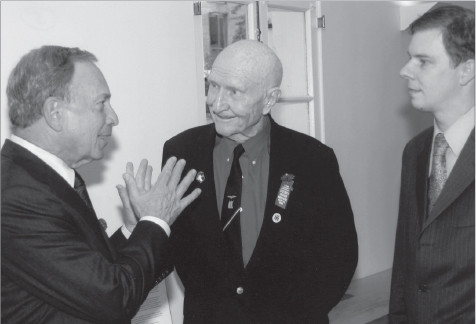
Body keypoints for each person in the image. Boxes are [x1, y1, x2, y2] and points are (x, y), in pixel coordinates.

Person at [156, 40, 357, 323]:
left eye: (234, 92)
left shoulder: (312, 160)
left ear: (269, 100)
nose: (216, 103)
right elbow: (174, 247)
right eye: (213, 86)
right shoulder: (181, 152)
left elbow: (339, 257)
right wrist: (145, 223)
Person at [1, 45, 200, 324]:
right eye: (101, 104)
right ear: (54, 113)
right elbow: (112, 299)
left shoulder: (39, 178)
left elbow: (87, 276)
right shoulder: (17, 196)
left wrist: (135, 229)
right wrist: (155, 221)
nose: (113, 117)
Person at [390, 5, 474, 324]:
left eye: (423, 61)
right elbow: (406, 262)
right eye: (410, 57)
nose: (405, 71)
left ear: (466, 70)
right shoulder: (415, 150)